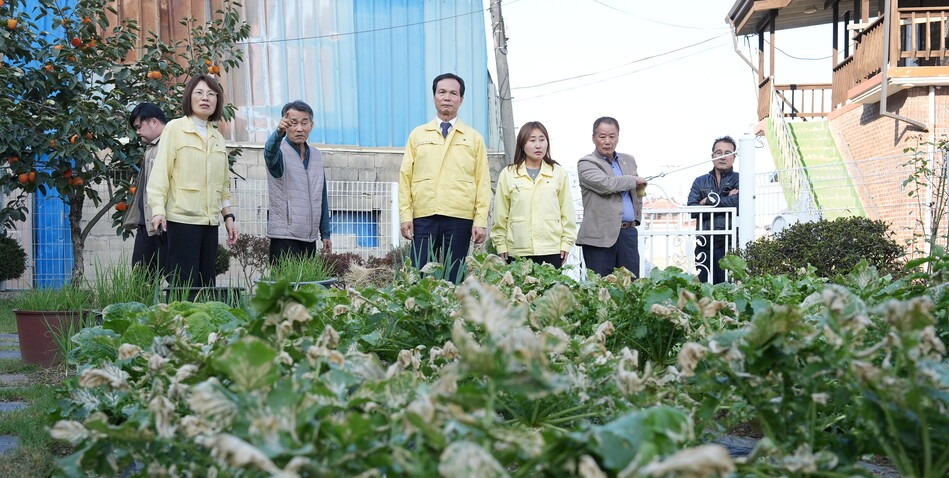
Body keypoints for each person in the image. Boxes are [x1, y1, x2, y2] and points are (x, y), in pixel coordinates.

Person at [147, 75, 238, 289]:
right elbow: (160, 173)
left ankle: (202, 323)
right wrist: (158, 210)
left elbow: (222, 185)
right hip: (181, 220)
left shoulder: (218, 138)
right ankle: (179, 323)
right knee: (182, 284)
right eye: (199, 92)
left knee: (207, 284)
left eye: (211, 94)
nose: (205, 98)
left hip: (209, 223)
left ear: (217, 101)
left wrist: (228, 217)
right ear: (189, 97)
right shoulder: (174, 129)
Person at [399, 73, 490, 284]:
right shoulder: (418, 135)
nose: (447, 97)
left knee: (454, 276)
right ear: (434, 97)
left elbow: (482, 181)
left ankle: (451, 316)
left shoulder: (474, 138)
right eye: (442, 92)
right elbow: (406, 177)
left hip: (459, 217)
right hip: (424, 216)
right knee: (419, 277)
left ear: (461, 99)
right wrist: (406, 215)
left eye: (453, 93)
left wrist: (480, 220)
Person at [491, 121, 577, 268]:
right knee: (519, 291)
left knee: (551, 291)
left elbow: (567, 211)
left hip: (551, 248)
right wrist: (500, 244)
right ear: (522, 145)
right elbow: (501, 212)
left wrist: (566, 243)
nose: (538, 145)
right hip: (518, 249)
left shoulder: (557, 172)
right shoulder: (509, 174)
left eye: (542, 139)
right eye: (532, 140)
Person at [576, 117, 648, 278]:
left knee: (631, 288)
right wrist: (633, 180)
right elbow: (606, 184)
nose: (607, 141)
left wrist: (637, 216)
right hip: (599, 237)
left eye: (612, 136)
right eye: (602, 137)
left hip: (628, 233)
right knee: (600, 290)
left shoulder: (628, 160)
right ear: (594, 138)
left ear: (618, 137)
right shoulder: (586, 162)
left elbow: (638, 191)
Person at [264, 100, 332, 263]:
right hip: (284, 237)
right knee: (285, 288)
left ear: (311, 125)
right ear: (285, 124)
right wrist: (278, 133)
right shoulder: (279, 151)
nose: (299, 128)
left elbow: (321, 197)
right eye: (293, 123)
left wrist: (325, 233)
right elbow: (269, 153)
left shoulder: (316, 155)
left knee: (307, 287)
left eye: (304, 122)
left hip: (309, 238)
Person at [688, 136, 739, 284]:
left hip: (730, 246)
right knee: (706, 293)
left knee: (730, 293)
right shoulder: (700, 181)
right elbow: (692, 209)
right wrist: (723, 201)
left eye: (727, 152)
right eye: (718, 152)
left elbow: (738, 203)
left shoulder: (740, 179)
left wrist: (707, 202)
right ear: (712, 156)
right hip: (704, 246)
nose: (722, 156)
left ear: (734, 157)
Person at [124, 103, 167, 273]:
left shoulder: (168, 145)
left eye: (139, 126)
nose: (138, 132)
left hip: (162, 224)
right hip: (148, 223)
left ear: (154, 122)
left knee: (172, 277)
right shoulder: (151, 148)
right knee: (142, 276)